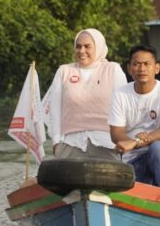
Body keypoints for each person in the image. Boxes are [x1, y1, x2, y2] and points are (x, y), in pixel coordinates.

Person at [44, 28, 127, 160]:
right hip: (70, 143)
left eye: (87, 46)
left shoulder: (113, 70)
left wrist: (122, 140)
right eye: (78, 47)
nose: (82, 51)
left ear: (98, 47)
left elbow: (123, 108)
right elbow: (55, 109)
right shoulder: (64, 71)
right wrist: (56, 142)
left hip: (106, 142)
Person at [108, 45, 160, 190]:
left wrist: (136, 142)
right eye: (136, 64)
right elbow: (116, 134)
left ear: (157, 68)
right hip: (133, 157)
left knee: (157, 147)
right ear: (129, 69)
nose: (141, 69)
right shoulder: (120, 94)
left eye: (147, 64)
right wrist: (136, 144)